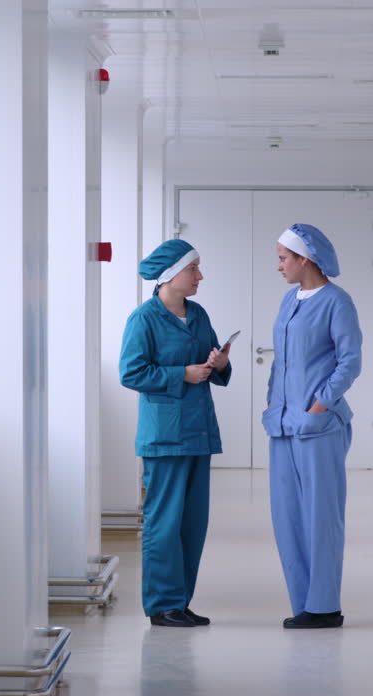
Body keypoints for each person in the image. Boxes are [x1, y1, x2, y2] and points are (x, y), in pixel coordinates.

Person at [119, 238, 232, 628]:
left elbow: (214, 363)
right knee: (163, 522)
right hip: (164, 437)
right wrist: (180, 374)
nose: (200, 275)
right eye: (193, 269)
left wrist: (219, 363)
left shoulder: (198, 314)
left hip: (199, 433)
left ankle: (180, 602)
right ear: (170, 275)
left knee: (192, 523)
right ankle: (162, 604)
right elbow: (130, 372)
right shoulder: (144, 319)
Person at [262, 223, 362, 629]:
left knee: (321, 516)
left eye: (284, 258)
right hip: (283, 426)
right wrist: (273, 399)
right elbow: (280, 359)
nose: (279, 266)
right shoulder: (289, 301)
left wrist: (320, 404)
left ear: (305, 259)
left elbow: (349, 361)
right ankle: (303, 603)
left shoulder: (338, 302)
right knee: (287, 516)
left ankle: (324, 606)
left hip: (319, 427)